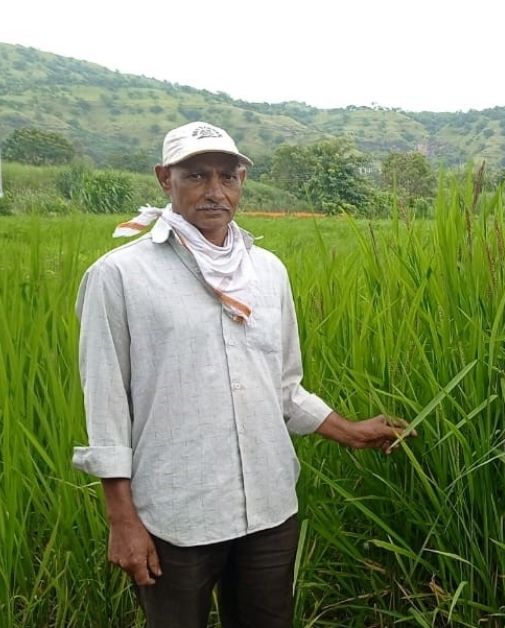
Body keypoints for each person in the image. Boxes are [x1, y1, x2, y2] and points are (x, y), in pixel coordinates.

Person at [72, 121, 414, 628]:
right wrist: (122, 521)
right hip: (175, 512)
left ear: (242, 182)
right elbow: (106, 407)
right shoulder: (119, 276)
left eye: (228, 176)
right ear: (165, 178)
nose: (215, 191)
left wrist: (349, 431)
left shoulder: (268, 270)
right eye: (196, 176)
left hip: (269, 507)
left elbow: (283, 386)